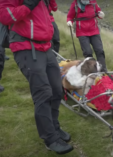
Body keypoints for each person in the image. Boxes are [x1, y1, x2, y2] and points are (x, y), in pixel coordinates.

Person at [0, 0, 73, 154]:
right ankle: (50, 138)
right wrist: (27, 6)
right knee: (43, 93)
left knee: (56, 89)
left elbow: (53, 7)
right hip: (26, 47)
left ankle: (54, 127)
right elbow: (5, 16)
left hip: (46, 46)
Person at [67, 0, 107, 72]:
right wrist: (69, 21)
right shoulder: (75, 4)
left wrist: (100, 14)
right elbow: (70, 16)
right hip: (82, 32)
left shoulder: (93, 2)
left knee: (99, 51)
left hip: (94, 30)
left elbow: (98, 12)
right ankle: (92, 72)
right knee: (88, 53)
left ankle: (103, 71)